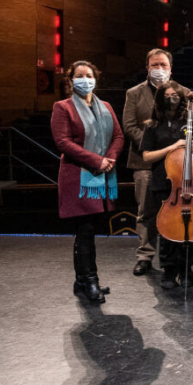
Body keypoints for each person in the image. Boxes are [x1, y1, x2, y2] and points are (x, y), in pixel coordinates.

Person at [51, 61, 124, 303]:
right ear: (71, 81)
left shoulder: (105, 106)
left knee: (89, 231)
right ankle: (90, 280)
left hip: (102, 176)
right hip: (78, 176)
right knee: (85, 230)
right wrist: (96, 161)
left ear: (96, 78)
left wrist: (109, 159)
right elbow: (63, 142)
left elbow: (118, 135)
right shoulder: (63, 107)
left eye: (89, 75)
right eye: (79, 76)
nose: (85, 80)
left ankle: (82, 280)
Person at [122, 49, 189, 276]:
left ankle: (176, 258)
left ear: (170, 68)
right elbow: (130, 125)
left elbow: (189, 127)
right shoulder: (134, 93)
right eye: (154, 65)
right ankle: (145, 256)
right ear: (147, 67)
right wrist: (153, 144)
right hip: (146, 162)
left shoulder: (184, 93)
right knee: (146, 211)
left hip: (177, 165)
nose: (158, 69)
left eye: (163, 65)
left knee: (176, 210)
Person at [139, 82, 193, 289]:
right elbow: (147, 156)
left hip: (187, 183)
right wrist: (172, 147)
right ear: (160, 99)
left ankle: (186, 269)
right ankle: (168, 270)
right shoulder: (151, 125)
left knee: (187, 228)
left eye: (175, 95)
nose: (171, 99)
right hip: (163, 183)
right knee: (167, 229)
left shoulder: (190, 122)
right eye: (167, 96)